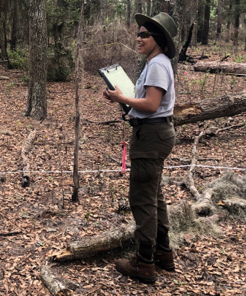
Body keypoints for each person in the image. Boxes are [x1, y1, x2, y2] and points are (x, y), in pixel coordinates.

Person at [102, 12, 178, 284]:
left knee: (143, 199)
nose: (139, 38)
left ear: (157, 39)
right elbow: (144, 99)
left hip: (151, 136)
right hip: (155, 134)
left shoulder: (157, 64)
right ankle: (163, 252)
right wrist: (121, 98)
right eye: (139, 33)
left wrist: (124, 97)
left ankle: (144, 263)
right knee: (154, 195)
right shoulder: (157, 62)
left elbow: (151, 105)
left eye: (145, 34)